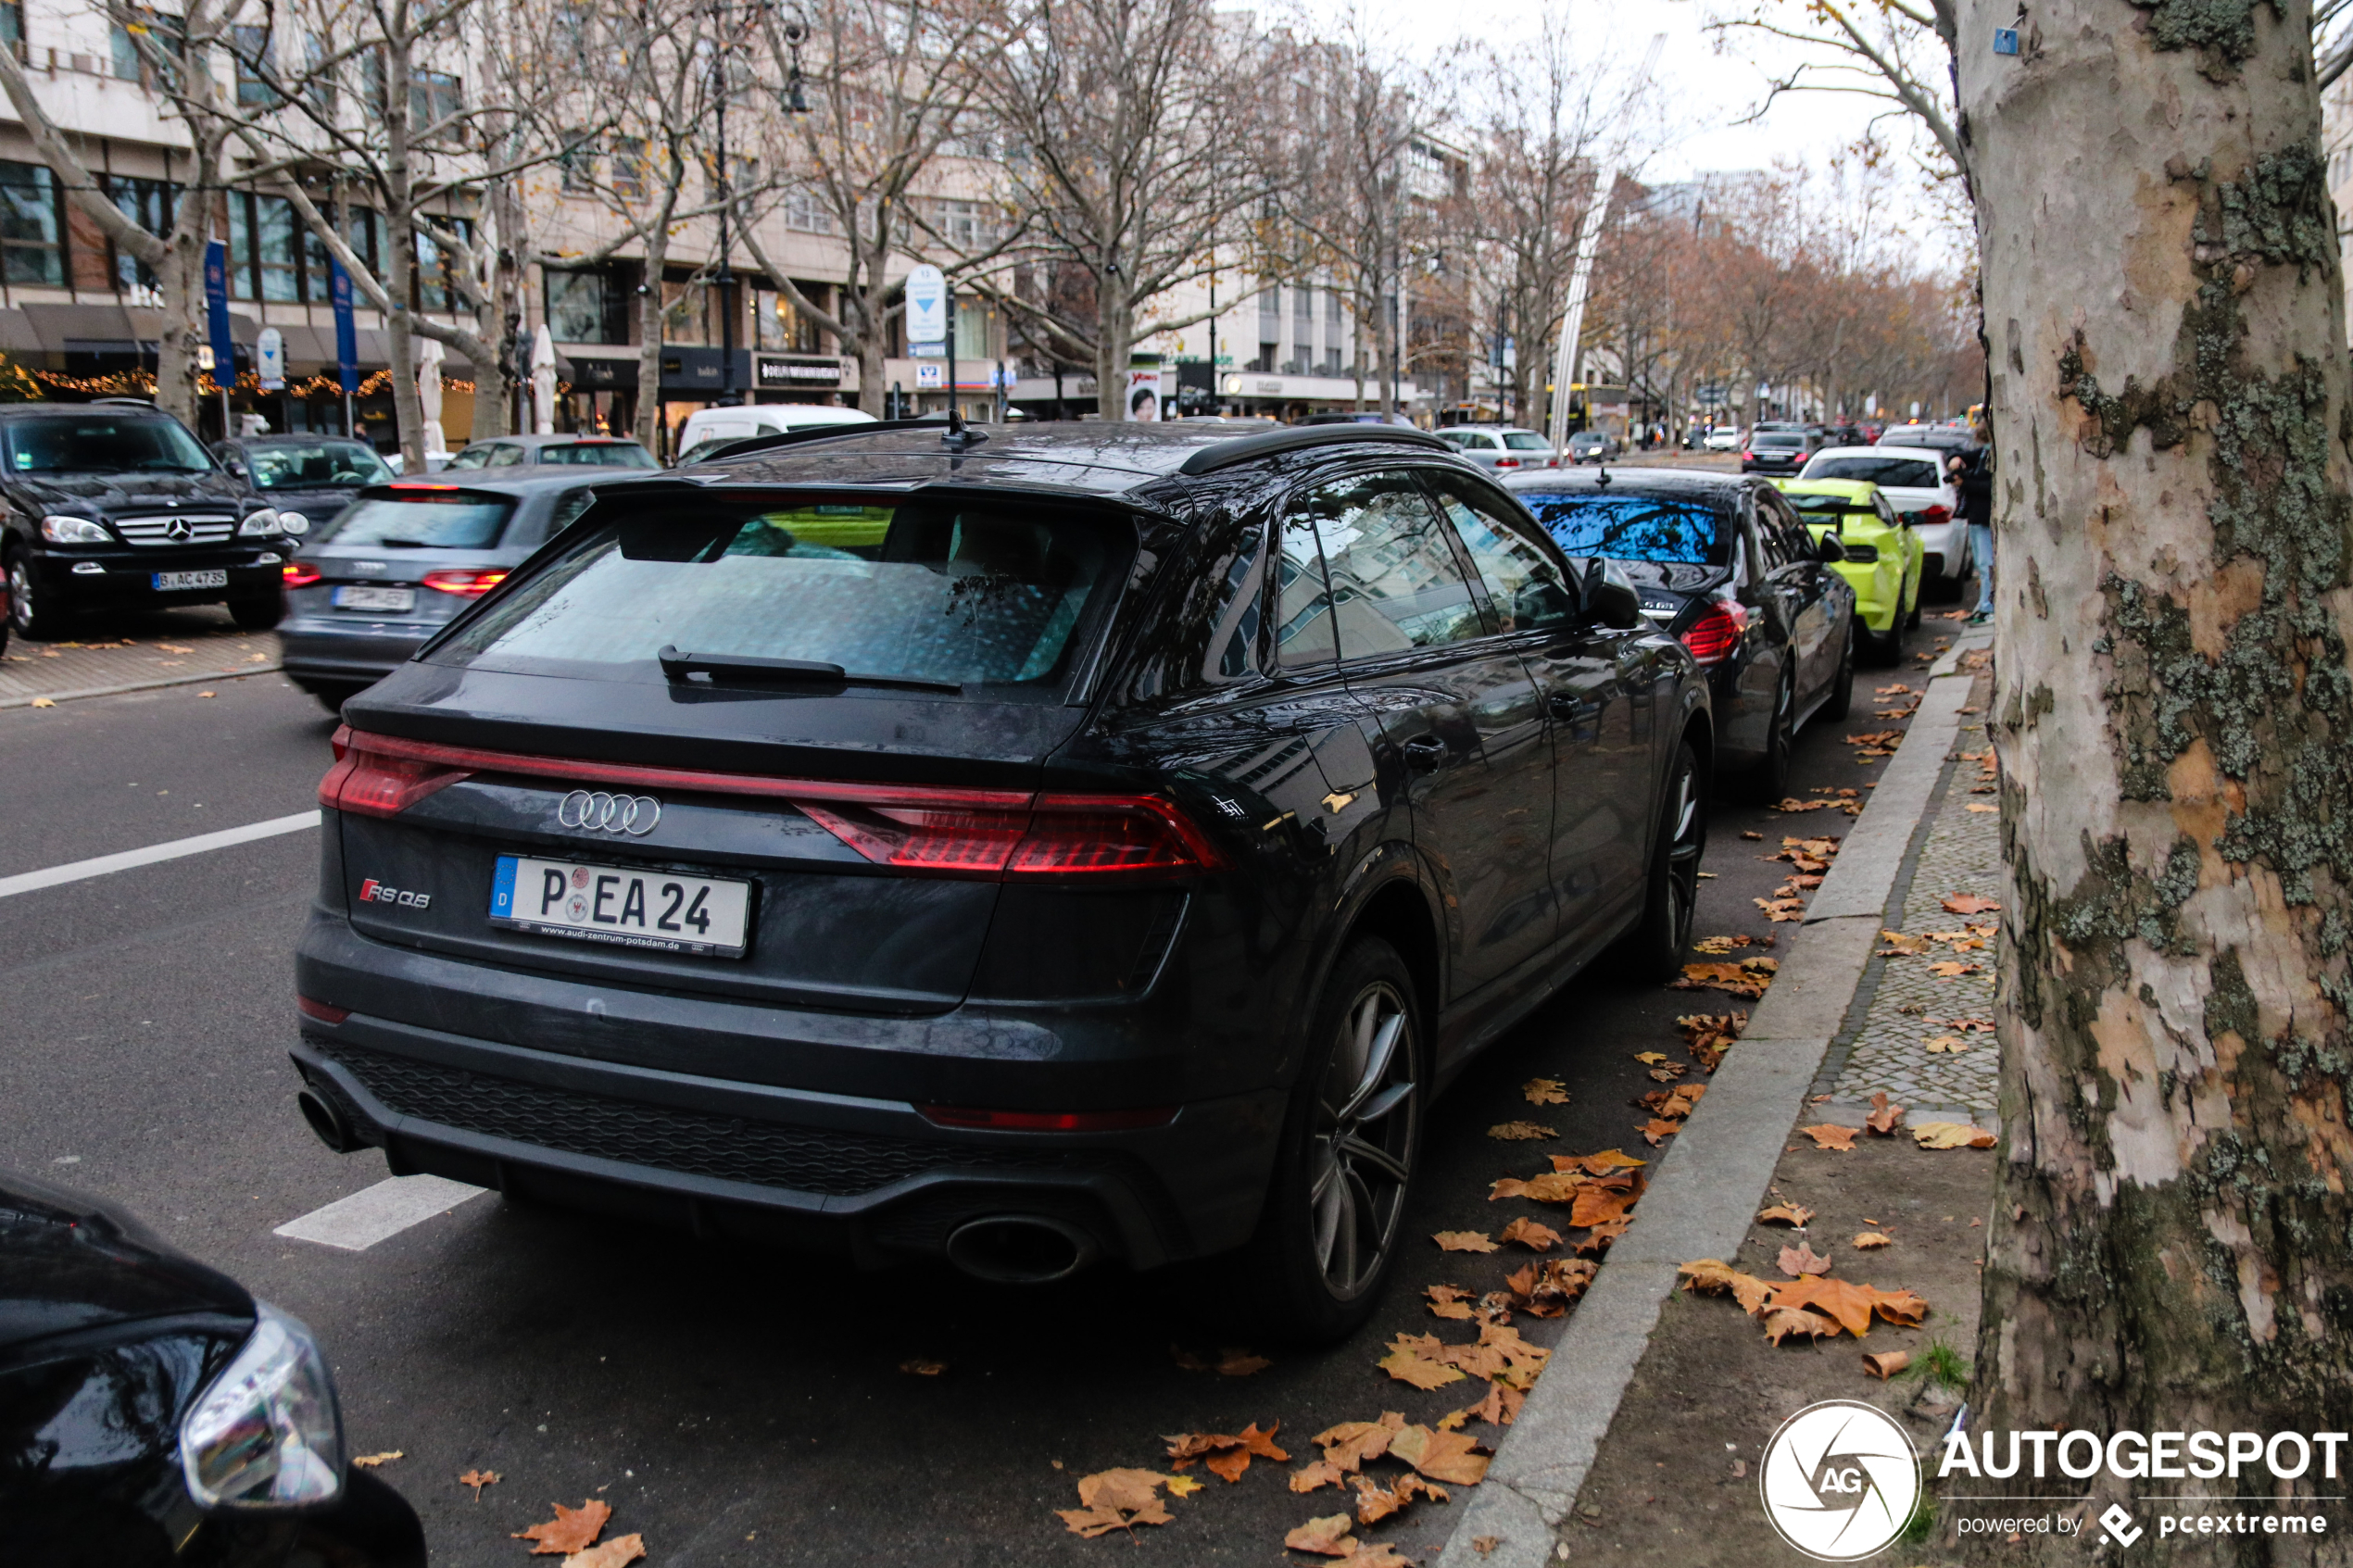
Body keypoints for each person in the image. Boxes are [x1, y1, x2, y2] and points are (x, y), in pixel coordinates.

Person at [1951, 437, 1995, 622]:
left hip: (1984, 517)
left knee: (1986, 564)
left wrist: (1965, 483)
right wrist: (1955, 460)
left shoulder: (1993, 456)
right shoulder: (1983, 453)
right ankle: (1983, 604)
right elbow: (1961, 456)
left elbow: (1990, 487)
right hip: (1976, 516)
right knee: (1981, 563)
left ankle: (1988, 605)